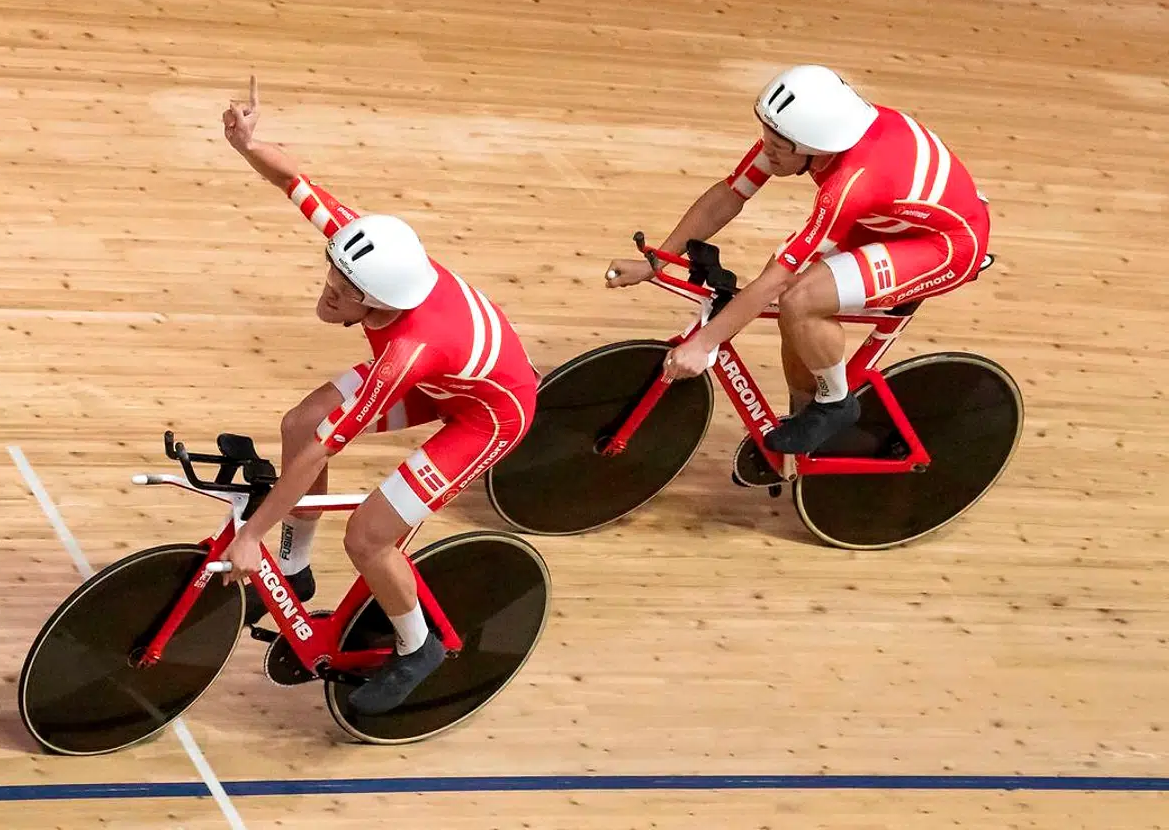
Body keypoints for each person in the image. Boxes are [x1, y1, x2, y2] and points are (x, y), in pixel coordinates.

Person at [216, 76, 539, 715]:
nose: (330, 289)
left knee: (367, 537)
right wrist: (246, 144)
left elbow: (322, 455)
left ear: (381, 304)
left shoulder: (406, 352)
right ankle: (298, 572)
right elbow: (296, 183)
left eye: (345, 290)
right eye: (333, 273)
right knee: (297, 423)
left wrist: (251, 532)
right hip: (453, 380)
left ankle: (418, 647)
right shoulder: (370, 253)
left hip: (488, 415)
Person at [605, 64, 991, 460]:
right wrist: (658, 261)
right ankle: (806, 431)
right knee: (794, 302)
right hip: (889, 222)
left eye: (777, 144)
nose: (765, 149)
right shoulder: (806, 139)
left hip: (946, 244)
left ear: (815, 146)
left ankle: (837, 402)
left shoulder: (850, 183)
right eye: (766, 136)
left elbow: (775, 280)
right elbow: (729, 196)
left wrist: (704, 344)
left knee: (799, 298)